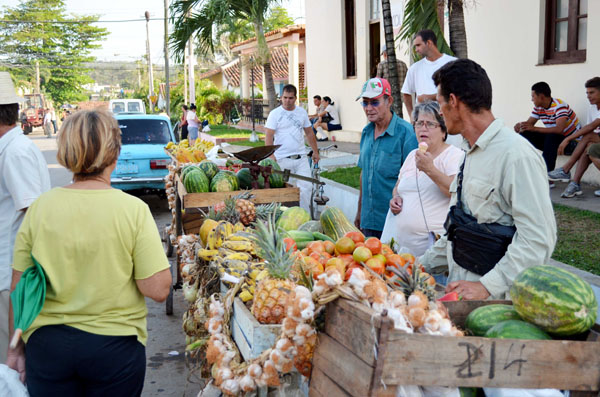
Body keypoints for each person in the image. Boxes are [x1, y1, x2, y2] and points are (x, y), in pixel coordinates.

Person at [6, 109, 172, 394]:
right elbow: (157, 289)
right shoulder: (132, 210)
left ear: (66, 153)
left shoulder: (40, 209)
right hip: (114, 349)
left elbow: (18, 288)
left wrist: (14, 348)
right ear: (114, 153)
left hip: (48, 348)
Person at [419, 59, 556, 301]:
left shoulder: (516, 156)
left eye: (440, 104)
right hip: (462, 303)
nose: (440, 112)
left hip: (497, 309)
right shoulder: (470, 153)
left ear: (453, 101)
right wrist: (418, 265)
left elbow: (537, 239)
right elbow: (460, 230)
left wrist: (487, 286)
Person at [0, 72, 50, 364]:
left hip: (11, 278)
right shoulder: (11, 149)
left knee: (12, 365)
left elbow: (34, 216)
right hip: (10, 275)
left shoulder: (15, 153)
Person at [380, 102, 463, 259]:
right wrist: (395, 197)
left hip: (432, 254)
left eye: (430, 124)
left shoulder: (454, 156)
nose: (423, 128)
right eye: (419, 123)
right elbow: (399, 185)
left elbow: (455, 192)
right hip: (401, 251)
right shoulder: (412, 155)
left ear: (443, 130)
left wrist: (429, 169)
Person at [355, 77, 418, 239]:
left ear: (389, 101)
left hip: (396, 221)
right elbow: (364, 173)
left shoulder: (406, 134)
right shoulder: (366, 132)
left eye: (374, 102)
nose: (369, 108)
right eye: (365, 102)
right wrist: (360, 211)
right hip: (369, 221)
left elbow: (414, 179)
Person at [265, 84, 320, 212]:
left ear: (295, 98)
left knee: (306, 187)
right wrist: (271, 156)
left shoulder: (301, 112)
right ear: (281, 98)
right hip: (282, 160)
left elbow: (309, 133)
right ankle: (284, 217)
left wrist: (315, 152)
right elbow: (269, 135)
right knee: (285, 191)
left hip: (301, 159)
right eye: (285, 97)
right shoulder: (275, 114)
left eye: (290, 98)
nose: (287, 101)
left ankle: (305, 216)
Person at [547, 77, 600, 198]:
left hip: (596, 137)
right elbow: (590, 128)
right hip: (596, 140)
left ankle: (566, 170)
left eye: (592, 92)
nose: (588, 96)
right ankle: (575, 183)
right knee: (588, 145)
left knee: (588, 136)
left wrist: (567, 138)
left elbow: (592, 127)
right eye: (587, 93)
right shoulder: (592, 108)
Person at [514, 82, 580, 174]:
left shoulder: (559, 106)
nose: (531, 99)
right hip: (554, 141)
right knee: (525, 134)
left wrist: (534, 128)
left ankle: (547, 175)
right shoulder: (538, 108)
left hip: (572, 143)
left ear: (541, 97)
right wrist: (520, 126)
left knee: (552, 136)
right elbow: (529, 125)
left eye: (533, 97)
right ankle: (527, 167)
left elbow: (559, 130)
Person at [401, 29, 456, 122]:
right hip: (424, 123)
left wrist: (427, 97)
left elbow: (458, 92)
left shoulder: (452, 63)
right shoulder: (414, 68)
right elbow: (406, 93)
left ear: (429, 43)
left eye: (418, 45)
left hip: (449, 121)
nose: (416, 50)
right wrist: (412, 117)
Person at [376, 44, 408, 118]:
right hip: (401, 97)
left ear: (385, 54)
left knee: (388, 117)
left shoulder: (382, 65)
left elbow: (377, 83)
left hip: (387, 97)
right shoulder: (403, 64)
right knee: (398, 116)